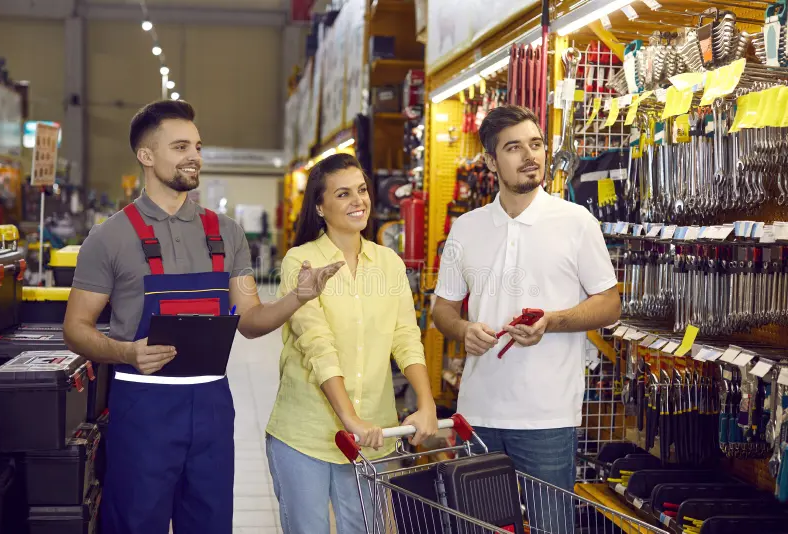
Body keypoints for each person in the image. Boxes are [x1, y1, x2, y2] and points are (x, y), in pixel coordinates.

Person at [63, 99, 341, 534]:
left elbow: (251, 320)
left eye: (197, 145)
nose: (194, 155)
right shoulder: (110, 237)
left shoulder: (226, 233)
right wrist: (125, 351)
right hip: (143, 414)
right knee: (135, 524)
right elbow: (75, 329)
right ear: (146, 156)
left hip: (211, 410)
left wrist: (298, 298)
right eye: (179, 147)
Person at [431, 105, 621, 532]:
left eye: (535, 144)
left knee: (551, 526)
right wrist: (463, 329)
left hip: (548, 417)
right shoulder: (467, 228)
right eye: (514, 148)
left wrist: (551, 321)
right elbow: (442, 309)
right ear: (490, 160)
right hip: (478, 413)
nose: (529, 156)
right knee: (477, 527)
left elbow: (610, 304)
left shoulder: (576, 223)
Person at [265, 153, 438, 533]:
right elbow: (317, 345)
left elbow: (406, 338)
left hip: (373, 435)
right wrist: (350, 420)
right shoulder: (302, 261)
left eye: (361, 190)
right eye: (343, 194)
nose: (358, 201)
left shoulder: (388, 262)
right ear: (320, 206)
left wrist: (426, 405)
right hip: (305, 433)